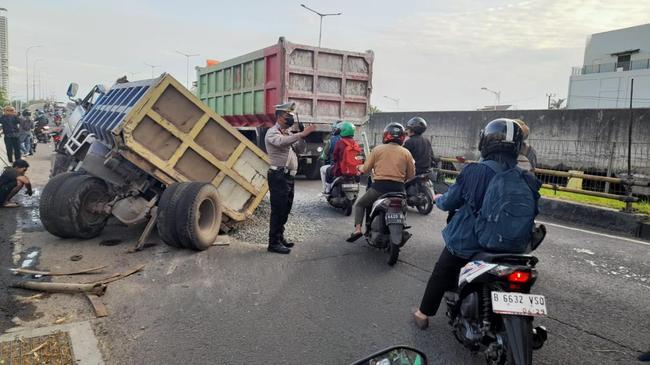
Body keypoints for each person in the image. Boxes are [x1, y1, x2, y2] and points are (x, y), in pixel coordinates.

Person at [413, 118, 539, 329]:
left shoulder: (476, 171)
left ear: (486, 141)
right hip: (515, 245)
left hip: (471, 241)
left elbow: (451, 201)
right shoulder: (525, 176)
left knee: (442, 270)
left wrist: (438, 200)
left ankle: (423, 313)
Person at [347, 122, 415, 242]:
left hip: (379, 188)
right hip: (399, 189)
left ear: (386, 135)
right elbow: (411, 175)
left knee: (360, 204)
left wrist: (360, 168)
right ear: (402, 137)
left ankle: (358, 229)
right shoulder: (406, 153)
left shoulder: (378, 150)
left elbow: (366, 168)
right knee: (402, 208)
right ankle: (401, 226)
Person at [265, 102, 316, 254]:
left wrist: (301, 136)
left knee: (285, 209)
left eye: (292, 116)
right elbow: (281, 143)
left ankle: (280, 238)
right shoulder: (272, 133)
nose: (291, 119)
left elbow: (300, 149)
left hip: (288, 177)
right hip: (278, 176)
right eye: (288, 116)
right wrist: (300, 134)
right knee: (278, 210)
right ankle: (273, 243)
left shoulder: (288, 133)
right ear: (280, 117)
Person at [319, 121, 341, 194]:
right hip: (349, 168)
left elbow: (324, 155)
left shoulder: (331, 140)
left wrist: (322, 157)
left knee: (322, 169)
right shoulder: (352, 141)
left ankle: (326, 189)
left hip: (336, 166)